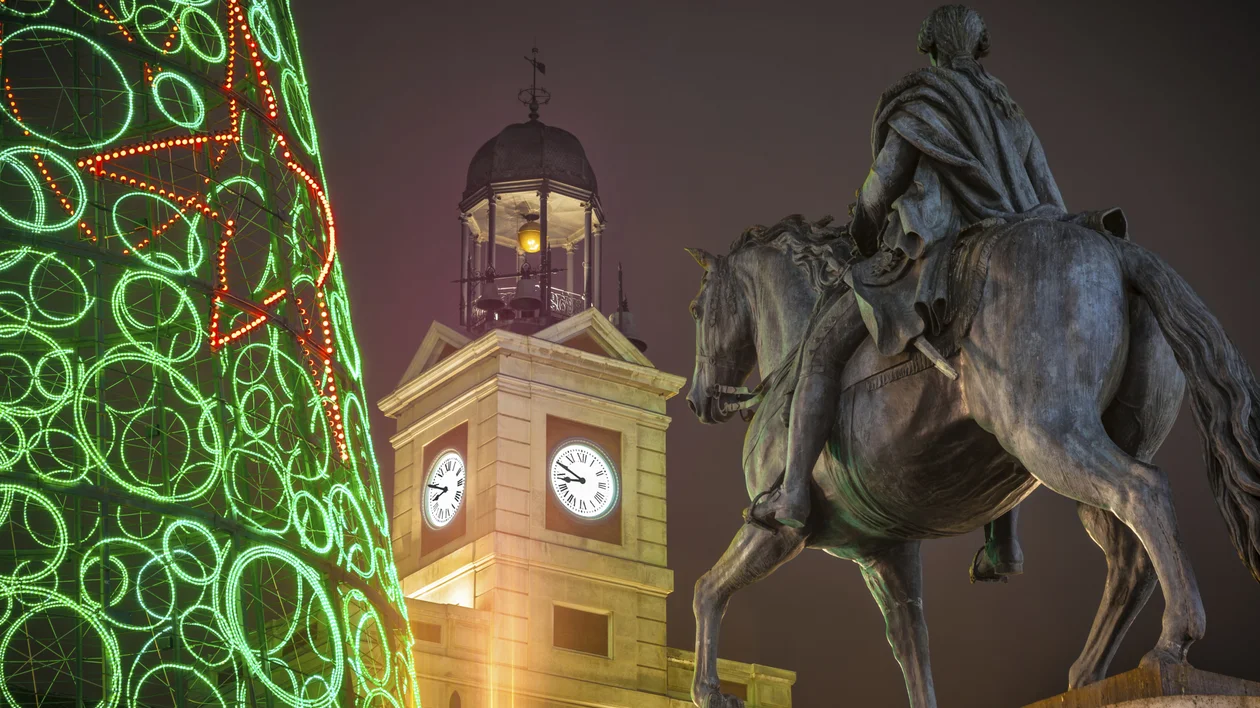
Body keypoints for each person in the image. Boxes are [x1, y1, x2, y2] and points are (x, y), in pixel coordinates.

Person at [751, 5, 1066, 579]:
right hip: (1013, 254)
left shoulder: (924, 102)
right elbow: (1052, 201)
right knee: (1011, 380)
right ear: (979, 47)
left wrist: (863, 227)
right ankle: (1003, 538)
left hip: (934, 255)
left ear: (933, 50)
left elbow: (884, 181)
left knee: (821, 350)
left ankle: (794, 493)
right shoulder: (1012, 114)